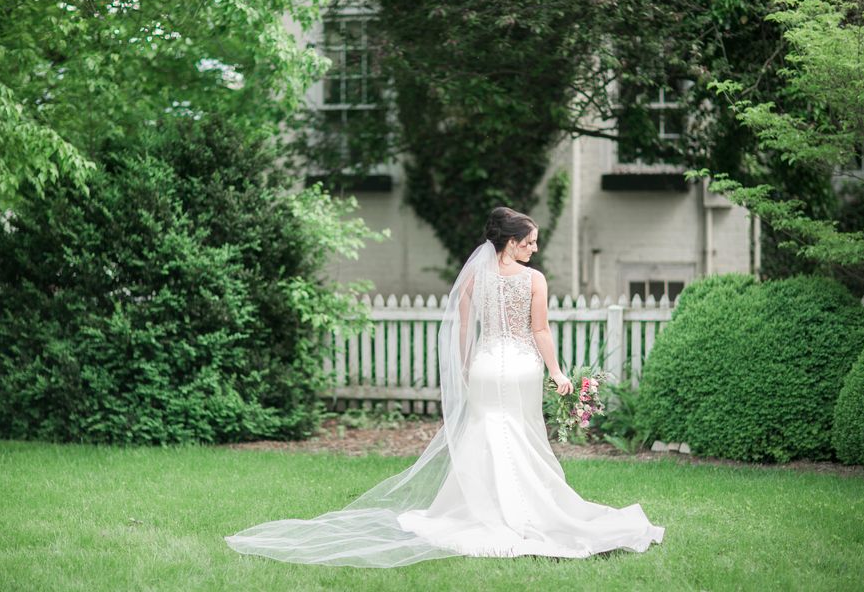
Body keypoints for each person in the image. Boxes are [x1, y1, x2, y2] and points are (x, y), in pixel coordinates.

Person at [225, 206, 665, 567]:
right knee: (523, 437)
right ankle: (526, 510)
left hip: (486, 365)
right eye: (529, 241)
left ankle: (479, 510)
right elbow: (540, 331)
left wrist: (463, 365)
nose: (534, 247)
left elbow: (461, 329)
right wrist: (558, 372)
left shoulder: (475, 276)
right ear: (511, 242)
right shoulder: (534, 280)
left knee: (485, 434)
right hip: (521, 368)